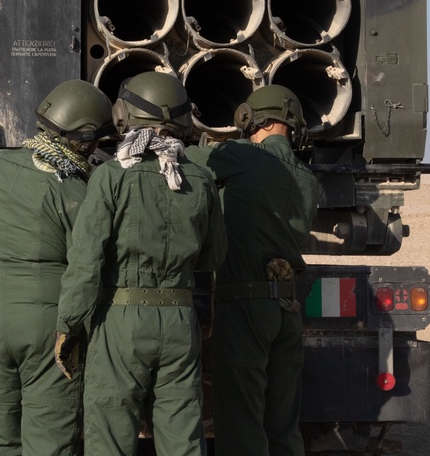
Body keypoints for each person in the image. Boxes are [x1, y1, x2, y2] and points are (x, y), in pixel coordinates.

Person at [54, 71, 226, 456]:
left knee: (111, 436)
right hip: (181, 323)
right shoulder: (200, 178)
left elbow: (86, 261)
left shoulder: (111, 177)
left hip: (122, 322)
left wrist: (69, 325)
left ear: (123, 116)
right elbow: (213, 257)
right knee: (183, 437)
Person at [0, 79, 114, 456]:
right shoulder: (76, 192)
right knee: (50, 433)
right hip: (46, 326)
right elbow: (88, 262)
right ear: (86, 138)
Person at [184, 84, 318, 456]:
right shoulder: (308, 178)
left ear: (252, 118)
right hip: (287, 311)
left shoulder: (242, 156)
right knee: (282, 427)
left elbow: (184, 158)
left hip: (244, 306)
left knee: (241, 426)